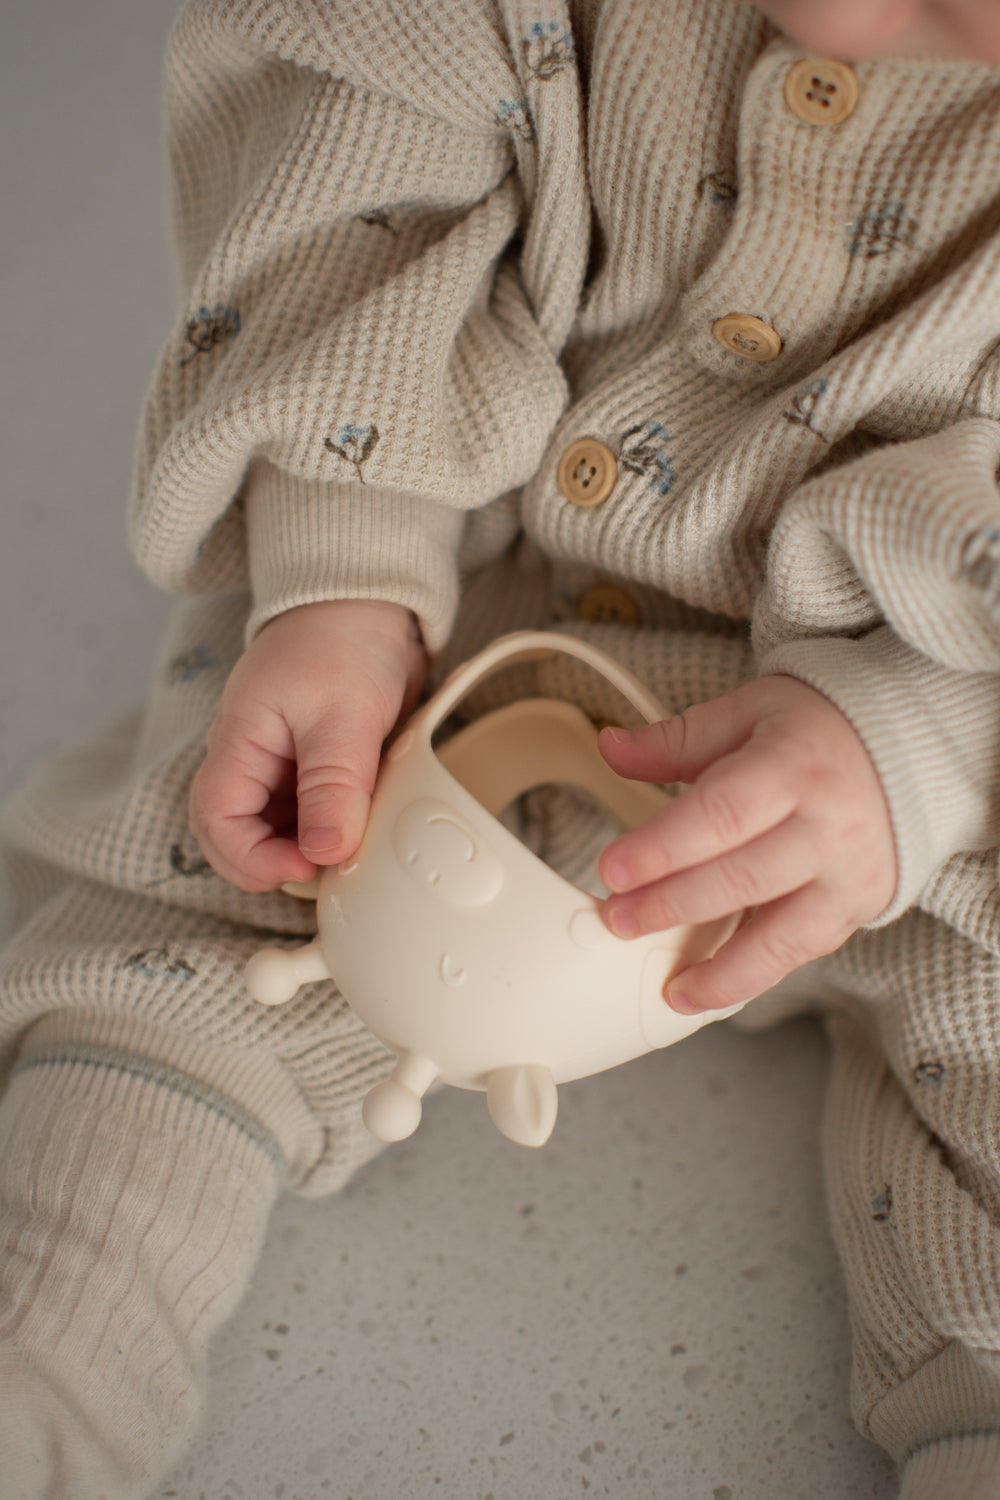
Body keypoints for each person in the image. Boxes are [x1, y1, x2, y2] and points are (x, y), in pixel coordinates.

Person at [2, 0, 1000, 1494]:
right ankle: (47, 1350)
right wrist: (345, 565)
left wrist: (922, 750)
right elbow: (363, 157)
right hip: (467, 597)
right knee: (220, 885)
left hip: (940, 734)